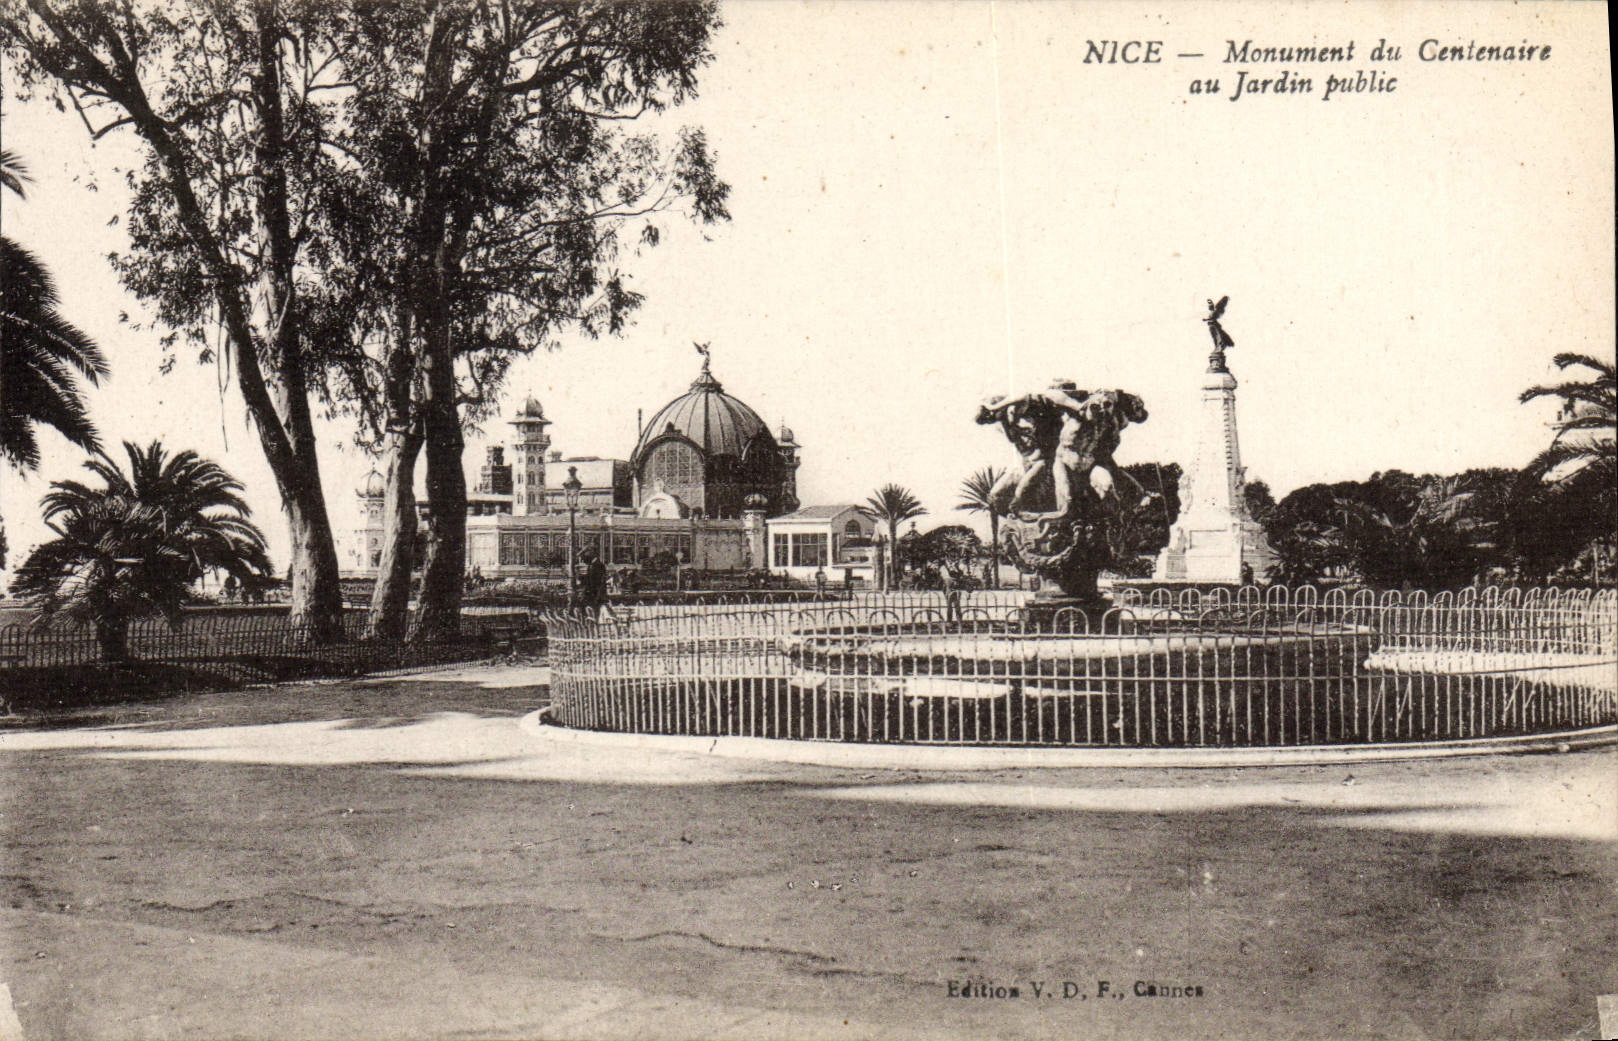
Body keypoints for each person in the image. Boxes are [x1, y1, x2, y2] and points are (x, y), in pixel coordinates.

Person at [578, 546, 610, 620]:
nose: (583, 560)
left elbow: (595, 581)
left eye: (584, 557)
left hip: (594, 595)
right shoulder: (592, 565)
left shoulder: (597, 565)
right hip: (593, 594)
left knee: (593, 614)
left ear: (591, 553)